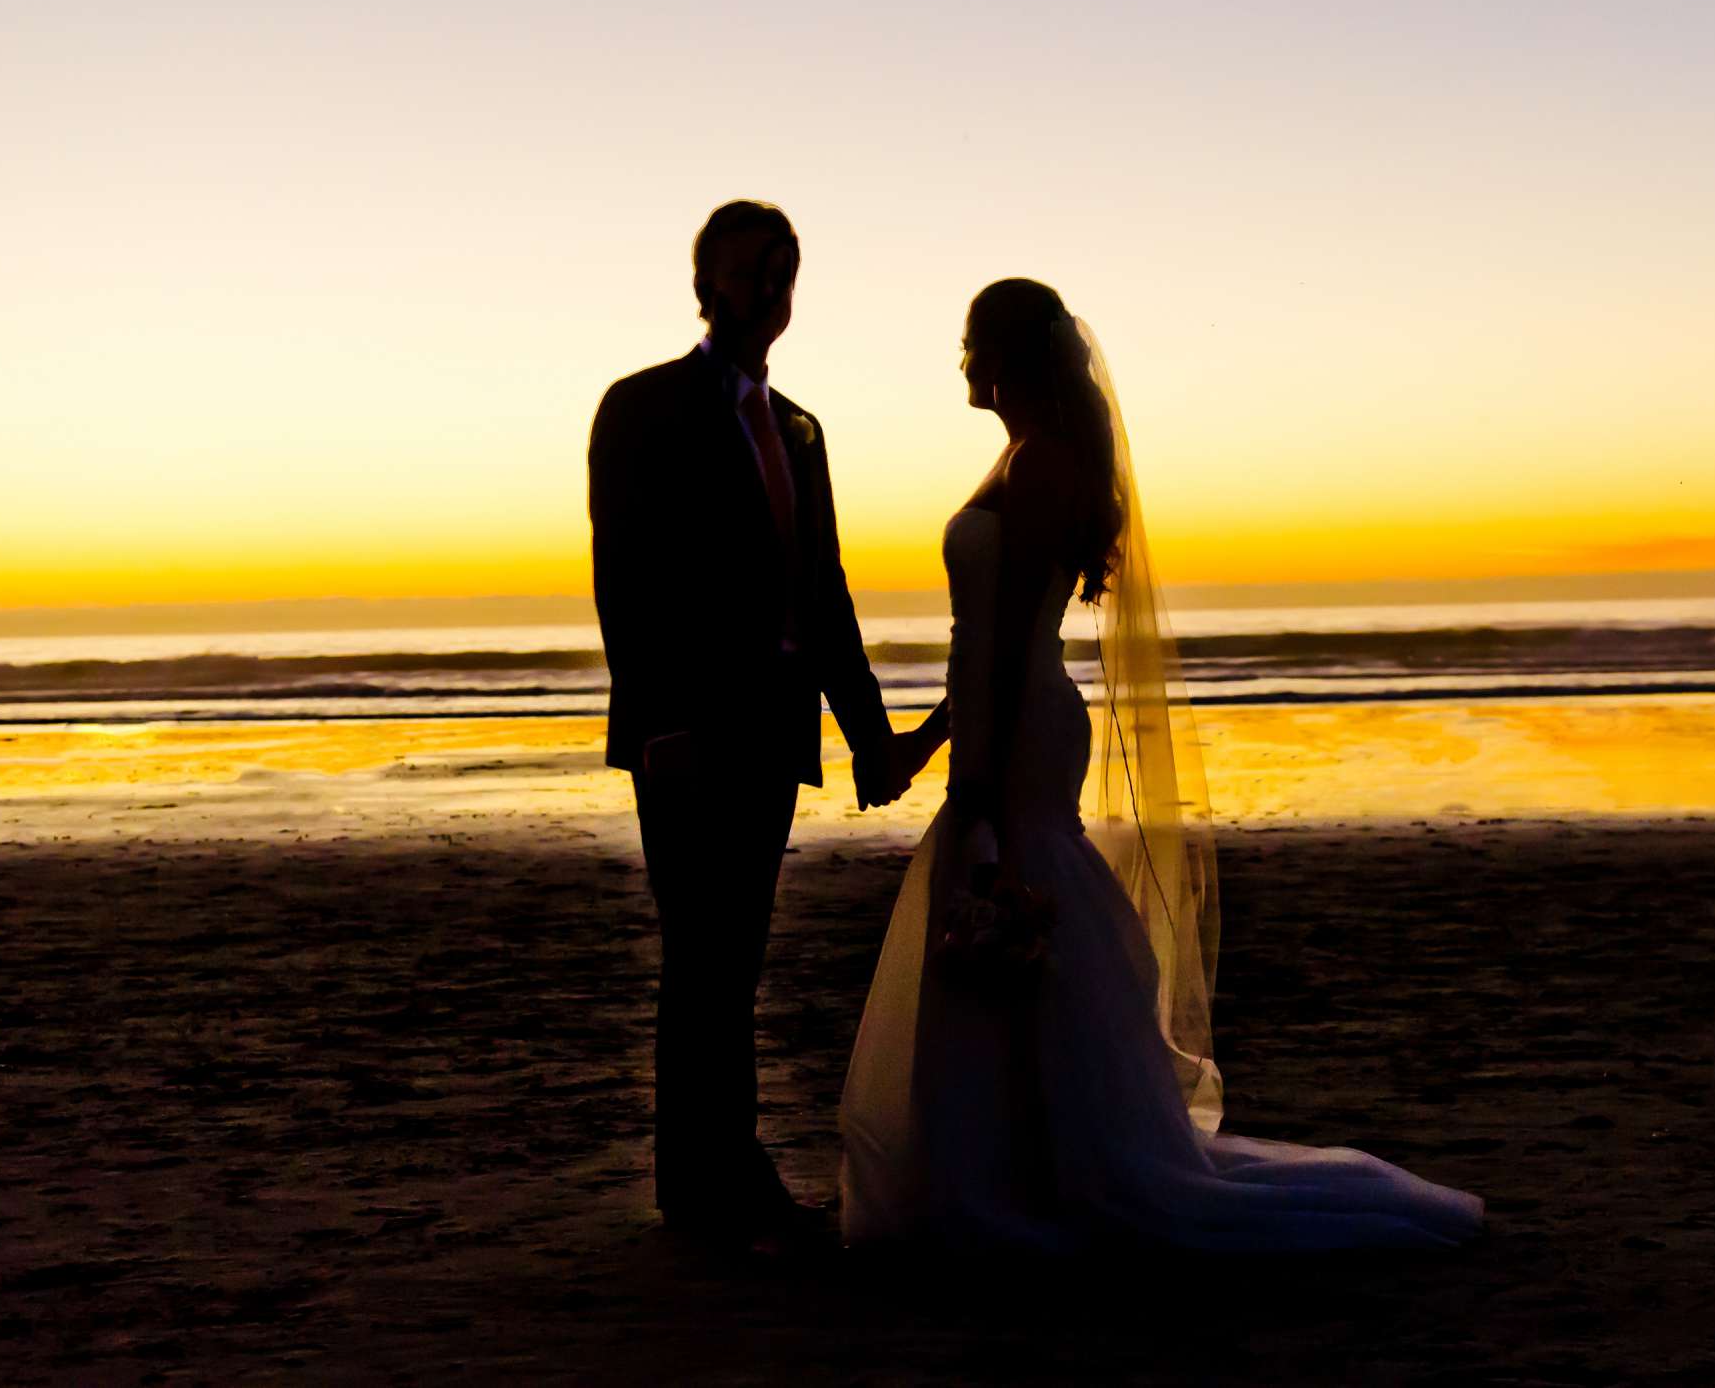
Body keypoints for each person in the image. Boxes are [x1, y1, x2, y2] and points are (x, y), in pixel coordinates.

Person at [839, 277, 1483, 1249]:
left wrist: (971, 780)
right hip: (1003, 715)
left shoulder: (1042, 465)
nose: (962, 362)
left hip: (1020, 728)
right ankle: (1009, 1160)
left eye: (971, 343)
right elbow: (984, 644)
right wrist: (929, 742)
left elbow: (1010, 647)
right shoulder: (1019, 458)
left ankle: (1047, 1168)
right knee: (1005, 911)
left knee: (1016, 897)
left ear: (1008, 355)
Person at [588, 200, 948, 1247]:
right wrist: (659, 726)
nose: (767, 288)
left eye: (782, 271)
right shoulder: (642, 408)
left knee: (735, 956)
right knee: (698, 955)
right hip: (686, 737)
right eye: (749, 271)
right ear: (705, 284)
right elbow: (629, 581)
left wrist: (869, 737)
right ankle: (699, 1189)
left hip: (772, 733)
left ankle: (724, 1178)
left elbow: (822, 598)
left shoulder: (801, 429)